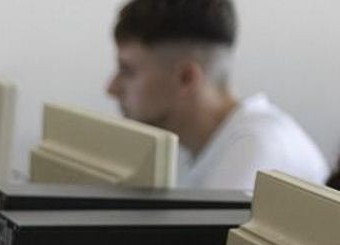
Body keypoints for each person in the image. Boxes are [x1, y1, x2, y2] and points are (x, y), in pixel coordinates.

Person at [106, 0, 329, 191]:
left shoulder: (257, 150)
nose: (111, 88)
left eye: (127, 71)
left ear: (186, 78)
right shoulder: (189, 149)